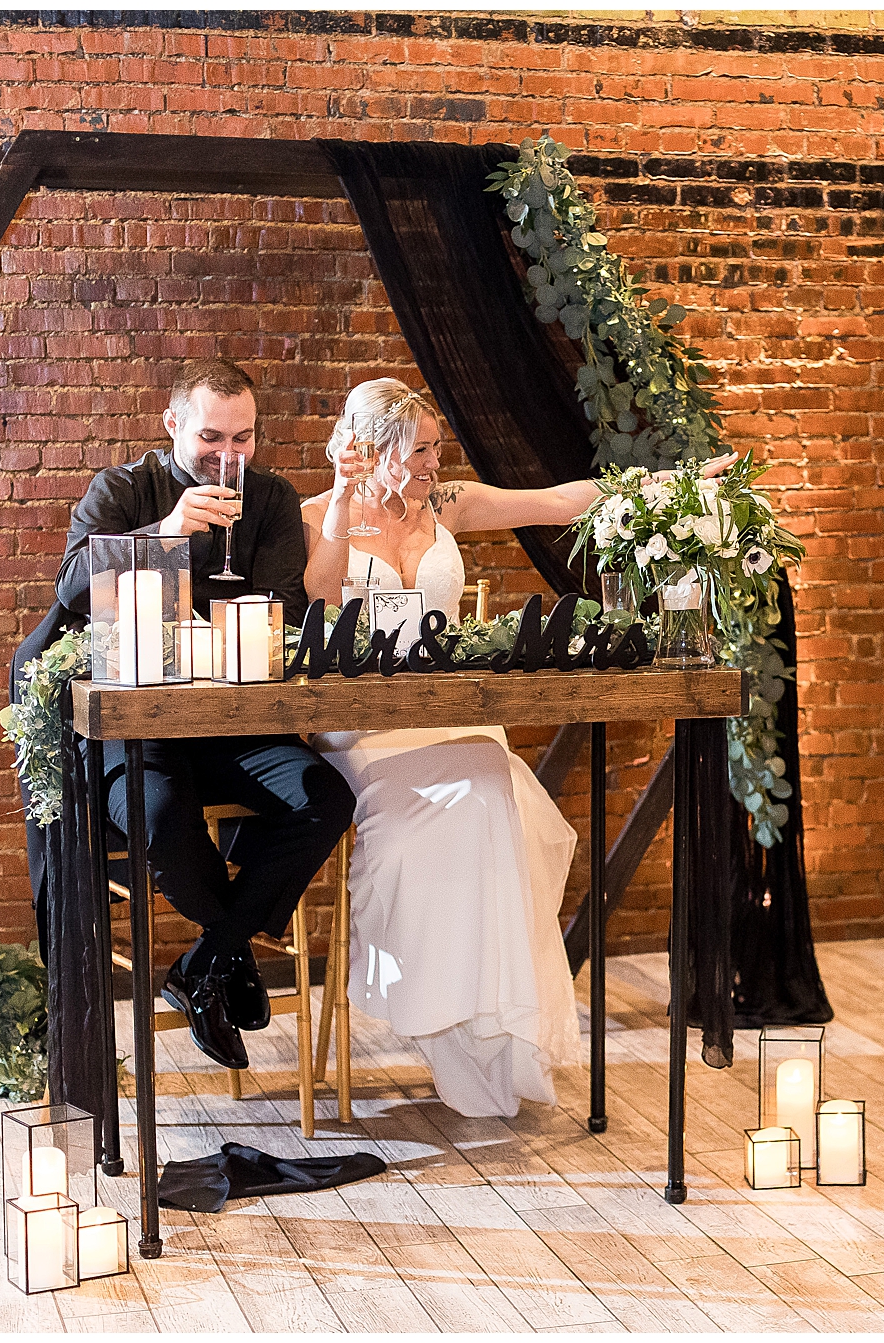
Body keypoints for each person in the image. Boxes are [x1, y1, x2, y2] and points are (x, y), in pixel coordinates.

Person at [301, 378, 732, 1117]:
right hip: (365, 724)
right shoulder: (317, 513)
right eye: (420, 450)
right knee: (485, 794)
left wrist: (668, 485)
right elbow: (316, 597)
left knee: (494, 792)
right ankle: (452, 1015)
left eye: (437, 447)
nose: (435, 463)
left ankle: (494, 1032)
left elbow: (562, 500)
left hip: (452, 716)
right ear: (372, 449)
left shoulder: (446, 504)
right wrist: (343, 502)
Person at [57, 357, 356, 1073]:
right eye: (211, 438)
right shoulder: (122, 490)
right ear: (172, 424)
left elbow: (284, 605)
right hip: (142, 728)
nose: (228, 456)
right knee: (161, 817)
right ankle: (230, 955)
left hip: (232, 723)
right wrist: (163, 533)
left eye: (243, 439)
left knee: (326, 799)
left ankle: (204, 962)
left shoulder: (272, 498)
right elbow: (71, 589)